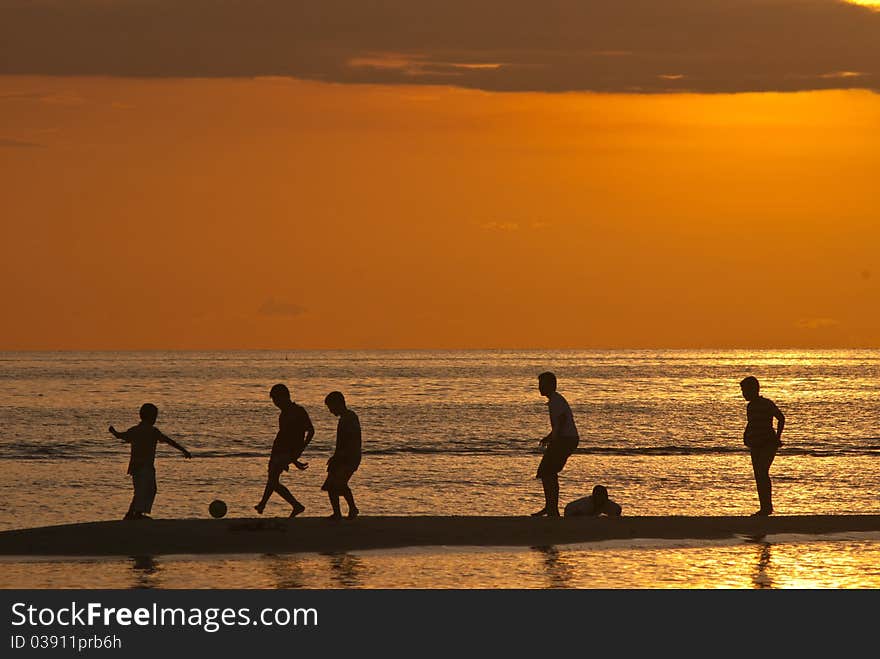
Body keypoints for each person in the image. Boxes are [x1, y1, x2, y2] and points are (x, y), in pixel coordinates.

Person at [108, 403, 192, 520]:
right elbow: (169, 441)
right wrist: (183, 450)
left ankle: (133, 514)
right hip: (145, 466)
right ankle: (135, 514)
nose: (155, 419)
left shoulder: (136, 430)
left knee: (142, 490)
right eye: (155, 416)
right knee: (147, 490)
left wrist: (114, 432)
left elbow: (121, 436)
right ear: (151, 417)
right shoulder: (152, 431)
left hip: (136, 466)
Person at [255, 383, 314, 517]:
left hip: (285, 451)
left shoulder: (298, 411)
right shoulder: (284, 414)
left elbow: (310, 431)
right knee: (272, 479)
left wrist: (297, 453)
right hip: (280, 450)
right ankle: (263, 504)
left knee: (273, 480)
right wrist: (294, 459)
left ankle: (295, 505)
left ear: (284, 397)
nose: (275, 403)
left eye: (276, 399)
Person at [532, 371, 580, 517]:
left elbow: (562, 421)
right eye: (539, 384)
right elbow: (561, 423)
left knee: (546, 471)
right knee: (548, 472)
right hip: (565, 439)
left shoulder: (556, 401)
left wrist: (555, 438)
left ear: (551, 385)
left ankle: (551, 508)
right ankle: (550, 507)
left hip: (566, 440)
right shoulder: (554, 400)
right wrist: (549, 437)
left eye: (542, 384)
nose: (539, 387)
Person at [740, 376, 785, 516]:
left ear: (753, 390)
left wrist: (777, 438)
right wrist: (746, 436)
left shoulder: (766, 404)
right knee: (759, 475)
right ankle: (764, 507)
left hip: (768, 443)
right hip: (755, 443)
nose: (743, 394)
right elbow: (752, 423)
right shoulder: (750, 406)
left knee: (762, 472)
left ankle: (767, 507)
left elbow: (781, 418)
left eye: (745, 390)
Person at [322, 391, 361, 520]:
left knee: (338, 483)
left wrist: (340, 456)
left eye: (331, 407)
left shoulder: (349, 418)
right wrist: (335, 457)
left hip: (349, 458)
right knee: (332, 484)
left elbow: (351, 441)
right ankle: (339, 512)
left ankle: (351, 509)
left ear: (338, 404)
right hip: (343, 457)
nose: (330, 411)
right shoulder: (345, 418)